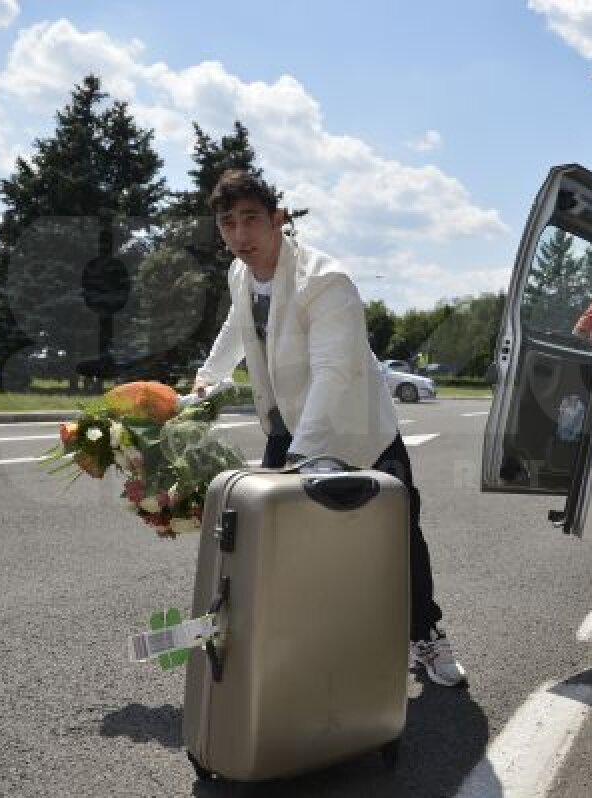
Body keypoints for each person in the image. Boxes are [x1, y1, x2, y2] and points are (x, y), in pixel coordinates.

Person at [193, 169, 467, 687]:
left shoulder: (325, 281)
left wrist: (302, 461)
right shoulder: (240, 273)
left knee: (398, 539)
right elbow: (237, 325)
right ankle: (293, 645)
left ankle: (426, 637)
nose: (239, 235)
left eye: (251, 219)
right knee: (269, 539)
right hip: (290, 425)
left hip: (358, 430)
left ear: (278, 220)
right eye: (227, 224)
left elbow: (334, 373)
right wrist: (209, 378)